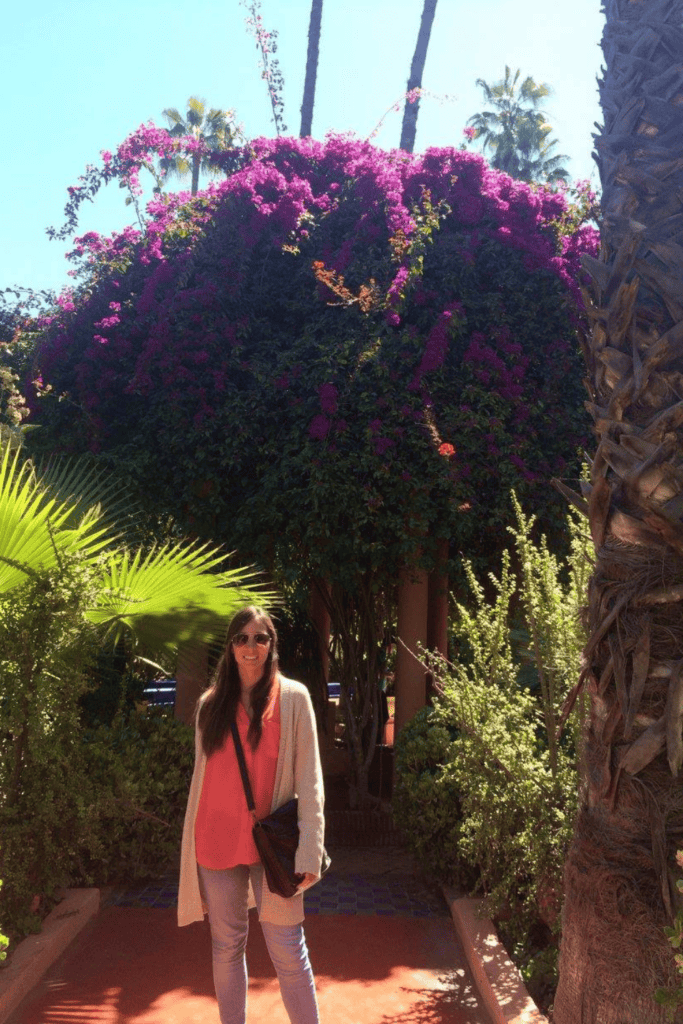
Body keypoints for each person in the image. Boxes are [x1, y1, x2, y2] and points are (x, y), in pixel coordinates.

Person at [178, 605, 326, 1024]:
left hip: (274, 845)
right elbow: (203, 778)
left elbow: (310, 779)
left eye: (260, 637)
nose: (250, 646)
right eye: (241, 638)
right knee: (226, 947)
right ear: (230, 646)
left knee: (288, 949)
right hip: (217, 838)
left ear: (272, 645)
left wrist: (310, 850)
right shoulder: (211, 705)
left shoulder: (294, 698)